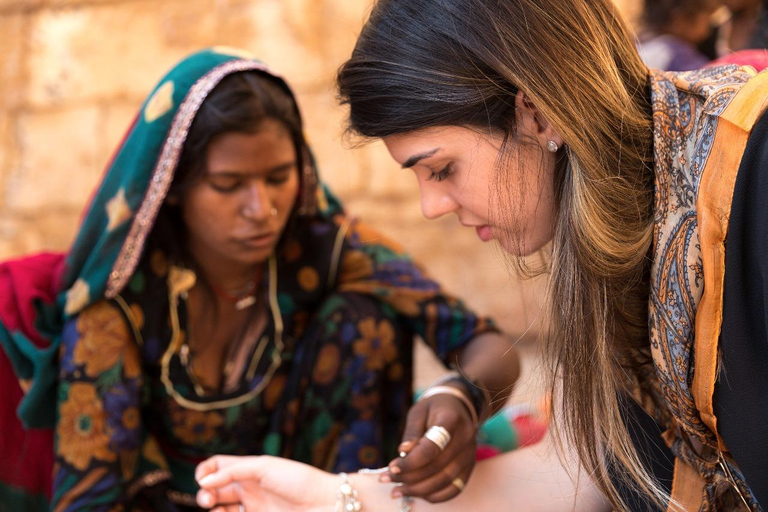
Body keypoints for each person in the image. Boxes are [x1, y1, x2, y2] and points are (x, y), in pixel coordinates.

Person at [194, 0, 768, 510]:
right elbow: (597, 472)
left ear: (537, 114)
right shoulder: (613, 230)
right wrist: (340, 498)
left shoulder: (753, 182)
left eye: (442, 169)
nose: (430, 206)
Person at [0, 47, 519, 510]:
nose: (262, 209)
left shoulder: (325, 246)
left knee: (366, 318)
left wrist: (462, 394)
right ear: (175, 187)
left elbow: (487, 344)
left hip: (307, 496)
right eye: (228, 185)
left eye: (278, 178)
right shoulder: (126, 295)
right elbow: (90, 495)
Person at [636, 0, 721, 71]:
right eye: (707, 14)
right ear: (680, 20)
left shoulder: (641, 46)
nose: (710, 21)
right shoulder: (680, 55)